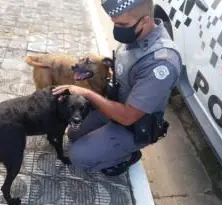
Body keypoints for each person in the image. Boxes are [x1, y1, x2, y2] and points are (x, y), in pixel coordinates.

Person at [52, 0, 182, 176]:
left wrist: (86, 93)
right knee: (73, 134)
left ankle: (128, 157)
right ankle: (109, 143)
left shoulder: (161, 62)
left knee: (79, 156)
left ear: (145, 20)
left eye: (122, 24)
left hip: (132, 125)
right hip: (115, 107)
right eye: (114, 23)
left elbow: (128, 117)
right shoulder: (136, 35)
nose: (117, 29)